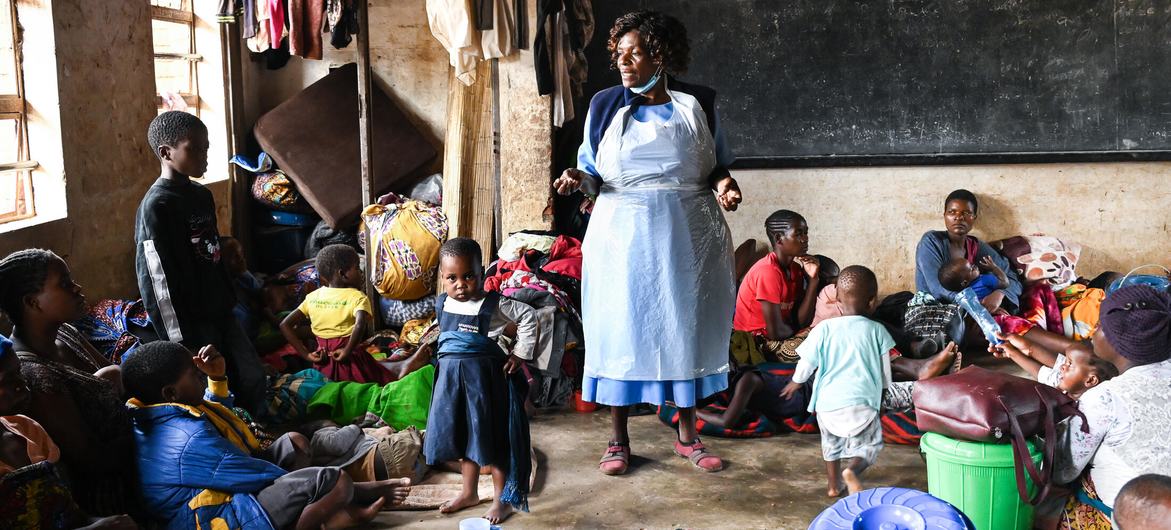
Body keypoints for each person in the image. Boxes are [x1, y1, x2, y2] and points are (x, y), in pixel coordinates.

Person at [553, 10, 743, 476]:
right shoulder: (604, 105)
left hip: (688, 235)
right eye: (619, 53)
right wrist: (579, 178)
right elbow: (595, 176)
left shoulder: (699, 102)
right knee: (622, 327)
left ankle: (688, 436)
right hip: (622, 237)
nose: (623, 62)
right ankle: (618, 440)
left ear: (660, 55)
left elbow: (715, 164)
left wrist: (725, 185)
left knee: (684, 325)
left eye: (634, 53)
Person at [122, 341, 407, 529]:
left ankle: (322, 510)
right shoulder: (186, 438)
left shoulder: (165, 413)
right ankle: (331, 516)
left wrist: (216, 378)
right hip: (215, 517)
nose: (200, 374)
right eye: (194, 374)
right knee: (337, 482)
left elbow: (220, 422)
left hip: (222, 493)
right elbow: (255, 474)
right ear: (171, 392)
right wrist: (355, 488)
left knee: (295, 443)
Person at [135, 110, 265, 413]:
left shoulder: (201, 195)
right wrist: (179, 341)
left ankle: (257, 428)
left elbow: (212, 253)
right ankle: (231, 430)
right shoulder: (157, 206)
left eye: (206, 148)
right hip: (191, 321)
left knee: (251, 375)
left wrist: (229, 296)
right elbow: (157, 280)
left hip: (220, 308)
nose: (205, 156)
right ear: (166, 153)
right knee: (214, 386)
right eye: (195, 149)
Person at [0, 249, 140, 517]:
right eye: (65, 284)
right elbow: (92, 460)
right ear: (33, 302)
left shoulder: (64, 332)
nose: (77, 288)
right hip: (111, 490)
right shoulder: (31, 373)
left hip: (133, 446)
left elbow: (122, 375)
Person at [424, 238, 536, 524]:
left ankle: (502, 500)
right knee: (464, 437)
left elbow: (528, 316)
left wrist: (520, 354)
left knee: (493, 441)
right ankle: (469, 493)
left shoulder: (492, 305)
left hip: (484, 386)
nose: (460, 284)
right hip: (452, 386)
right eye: (452, 278)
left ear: (482, 273)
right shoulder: (442, 303)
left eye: (468, 276)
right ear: (442, 277)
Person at [1046, 286, 1171, 527]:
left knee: (1043, 497)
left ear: (1119, 343)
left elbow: (1062, 471)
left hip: (1135, 517)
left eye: (1100, 325)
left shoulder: (1106, 398)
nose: (1093, 331)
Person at [0, 336, 137, 529]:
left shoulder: (27, 429)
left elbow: (68, 512)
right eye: (7, 380)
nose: (22, 384)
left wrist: (104, 523)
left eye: (19, 372)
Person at [781, 266, 892, 497]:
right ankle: (852, 471)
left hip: (827, 404)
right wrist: (882, 397)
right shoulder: (877, 331)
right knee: (870, 446)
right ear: (872, 302)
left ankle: (833, 486)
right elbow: (885, 373)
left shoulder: (823, 328)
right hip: (863, 402)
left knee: (831, 446)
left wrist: (796, 382)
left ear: (838, 301)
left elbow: (807, 362)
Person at [280, 244, 393, 384]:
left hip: (323, 364)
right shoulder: (357, 297)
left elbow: (285, 325)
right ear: (343, 274)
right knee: (370, 386)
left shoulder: (313, 297)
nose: (361, 272)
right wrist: (347, 351)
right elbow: (359, 325)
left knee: (329, 391)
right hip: (351, 361)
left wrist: (306, 355)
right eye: (357, 268)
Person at [733, 210, 821, 362]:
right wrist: (799, 330)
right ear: (779, 239)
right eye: (798, 234)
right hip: (753, 341)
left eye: (806, 233)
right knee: (820, 347)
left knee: (828, 336)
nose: (805, 239)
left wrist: (813, 281)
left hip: (779, 335)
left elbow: (802, 320)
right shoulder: (768, 271)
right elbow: (776, 332)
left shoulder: (795, 269)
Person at [992, 338, 1116, 399]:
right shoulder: (1068, 384)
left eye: (1070, 364)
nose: (1062, 366)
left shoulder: (1089, 406)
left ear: (1090, 380)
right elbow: (1038, 370)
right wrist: (1011, 352)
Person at [938, 256, 1008, 299]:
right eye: (971, 269)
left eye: (971, 264)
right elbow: (1005, 283)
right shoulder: (984, 280)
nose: (975, 266)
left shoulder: (963, 296)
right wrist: (994, 268)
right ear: (965, 282)